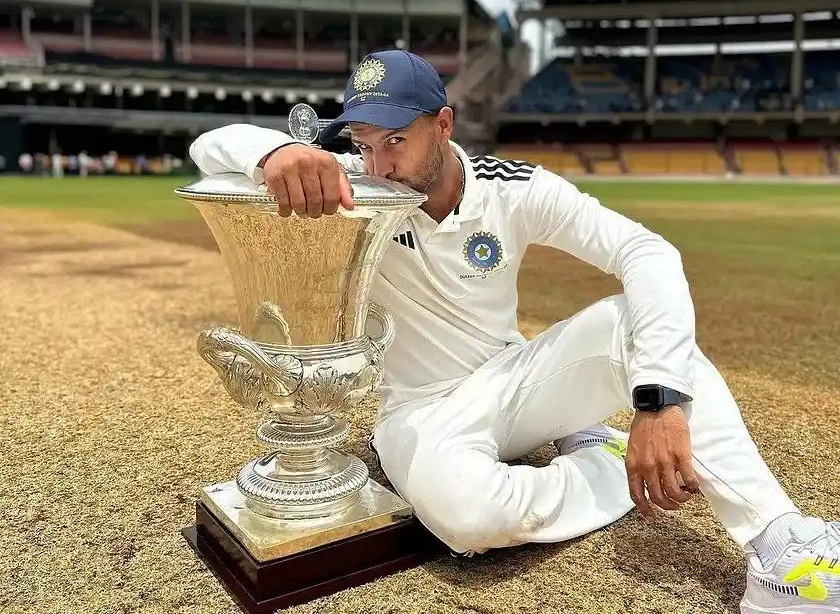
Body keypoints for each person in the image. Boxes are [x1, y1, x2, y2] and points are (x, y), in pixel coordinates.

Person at [189, 50, 839, 613]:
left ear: (443, 125)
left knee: (635, 319)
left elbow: (647, 254)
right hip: (419, 413)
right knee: (465, 521)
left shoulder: (512, 188)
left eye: (395, 140)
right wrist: (278, 150)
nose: (378, 162)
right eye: (363, 140)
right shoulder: (360, 182)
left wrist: (662, 402)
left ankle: (784, 548)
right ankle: (604, 464)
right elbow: (211, 144)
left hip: (517, 382)